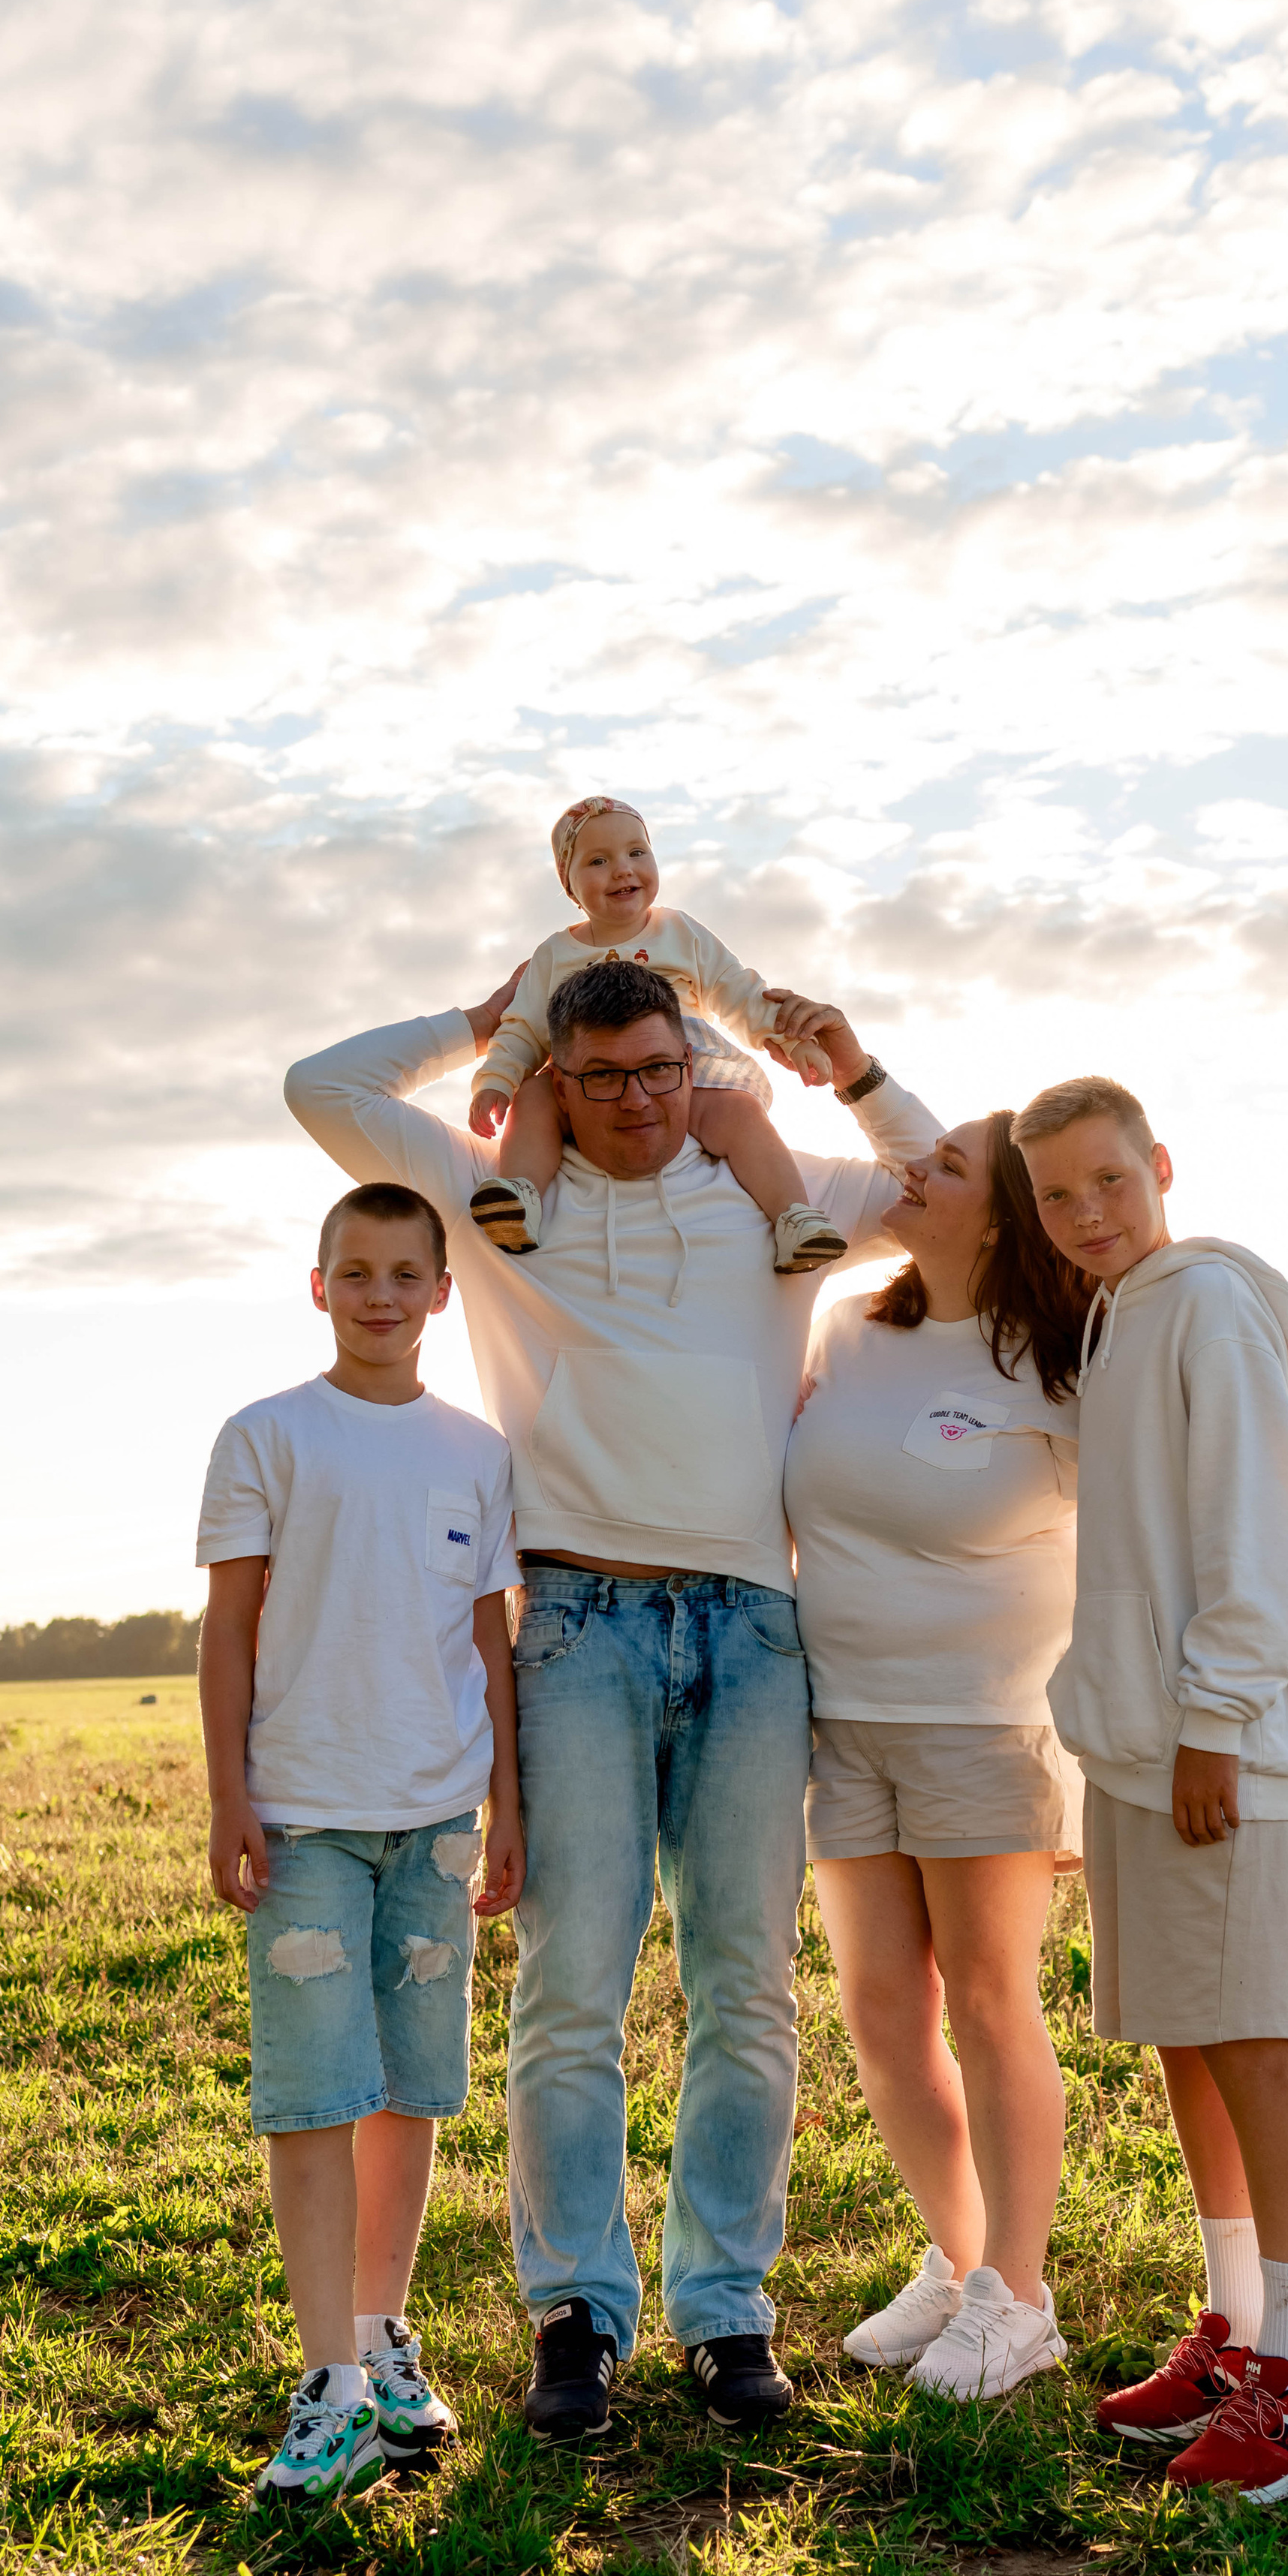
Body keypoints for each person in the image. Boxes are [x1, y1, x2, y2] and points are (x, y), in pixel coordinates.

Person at [284, 952, 942, 2440]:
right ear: (556, 1086)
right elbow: (316, 1089)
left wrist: (845, 1068)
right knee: (569, 1986)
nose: (638, 1101)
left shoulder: (771, 1198)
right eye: (604, 1078)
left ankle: (725, 2311)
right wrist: (483, 1022)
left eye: (662, 1070)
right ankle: (573, 2313)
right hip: (575, 1619)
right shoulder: (499, 1200)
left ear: (696, 1069)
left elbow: (949, 1179)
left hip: (753, 1625)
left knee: (744, 1986)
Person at [1014, 1076, 1288, 2504]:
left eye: (1110, 1180)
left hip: (1214, 1745)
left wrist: (1215, 1717)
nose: (1088, 1212)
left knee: (1261, 2042)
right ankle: (1238, 2332)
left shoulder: (1208, 1301)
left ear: (1160, 1167)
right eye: (1058, 1196)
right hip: (1140, 1750)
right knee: (1189, 2039)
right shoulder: (1115, 1314)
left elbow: (1263, 1525)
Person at [196, 1181, 525, 2501]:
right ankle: (327, 2381)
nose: (382, 1294)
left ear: (443, 1294)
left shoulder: (475, 1451)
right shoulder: (268, 1435)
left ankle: (386, 2335)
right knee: (314, 2095)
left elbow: (491, 1642)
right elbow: (227, 1630)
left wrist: (511, 1804)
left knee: (407, 2088)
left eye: (407, 1273)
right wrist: (230, 1795)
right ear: (318, 1283)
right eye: (358, 1271)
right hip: (306, 1818)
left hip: (439, 1820)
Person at [786, 1115, 1092, 2400]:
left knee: (984, 1998)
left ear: (1005, 1211)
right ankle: (966, 2262)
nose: (911, 1174)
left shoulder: (1066, 1365)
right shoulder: (847, 1325)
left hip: (987, 1722)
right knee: (882, 2014)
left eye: (946, 1165)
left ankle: (1018, 2296)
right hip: (839, 1720)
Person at [465, 796, 847, 1274]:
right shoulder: (554, 954)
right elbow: (523, 1029)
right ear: (570, 884)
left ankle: (794, 1216)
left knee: (739, 1113)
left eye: (637, 853)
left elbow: (739, 991)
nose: (622, 870)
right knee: (536, 1099)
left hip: (684, 1060)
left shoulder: (679, 931)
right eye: (598, 861)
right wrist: (497, 1081)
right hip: (590, 1072)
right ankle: (521, 1196)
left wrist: (793, 1040)